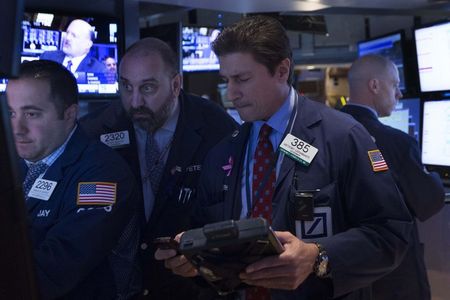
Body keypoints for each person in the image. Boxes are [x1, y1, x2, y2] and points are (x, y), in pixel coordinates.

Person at [156, 15, 413, 300]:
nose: (231, 94)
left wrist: (318, 257)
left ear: (281, 70)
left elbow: (392, 233)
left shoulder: (342, 137)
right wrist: (195, 259)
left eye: (242, 79)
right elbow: (207, 231)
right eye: (226, 80)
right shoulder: (223, 151)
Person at [79, 37, 237, 299]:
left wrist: (208, 255)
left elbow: (233, 215)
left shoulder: (217, 129)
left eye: (148, 88)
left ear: (176, 85)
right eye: (126, 86)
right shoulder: (94, 131)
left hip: (190, 288)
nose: (135, 101)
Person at [6, 59, 139, 299]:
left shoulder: (103, 174)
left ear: (69, 115)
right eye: (11, 113)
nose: (17, 128)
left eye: (32, 114)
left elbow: (52, 271)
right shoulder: (12, 161)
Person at [341, 54, 445, 300]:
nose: (398, 94)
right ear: (375, 85)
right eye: (395, 84)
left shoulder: (321, 133)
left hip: (342, 271)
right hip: (392, 275)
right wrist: (434, 179)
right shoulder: (397, 143)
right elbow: (429, 201)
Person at [40, 19, 106, 79]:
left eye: (74, 35)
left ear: (87, 44)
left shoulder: (99, 69)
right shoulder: (47, 57)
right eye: (67, 33)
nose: (67, 38)